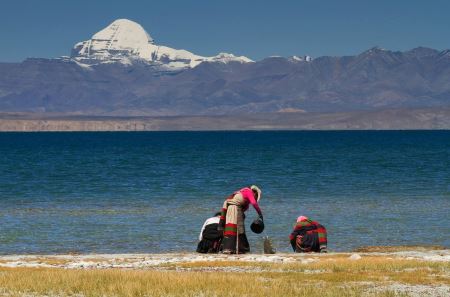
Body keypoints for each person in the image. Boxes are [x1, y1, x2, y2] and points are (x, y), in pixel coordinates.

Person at [218, 185, 263, 254]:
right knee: (239, 229)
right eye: (256, 196)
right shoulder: (248, 191)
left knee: (233, 229)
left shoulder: (243, 198)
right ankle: (241, 249)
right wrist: (260, 214)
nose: (255, 198)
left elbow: (243, 209)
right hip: (234, 208)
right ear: (255, 193)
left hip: (231, 208)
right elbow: (254, 203)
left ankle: (231, 248)